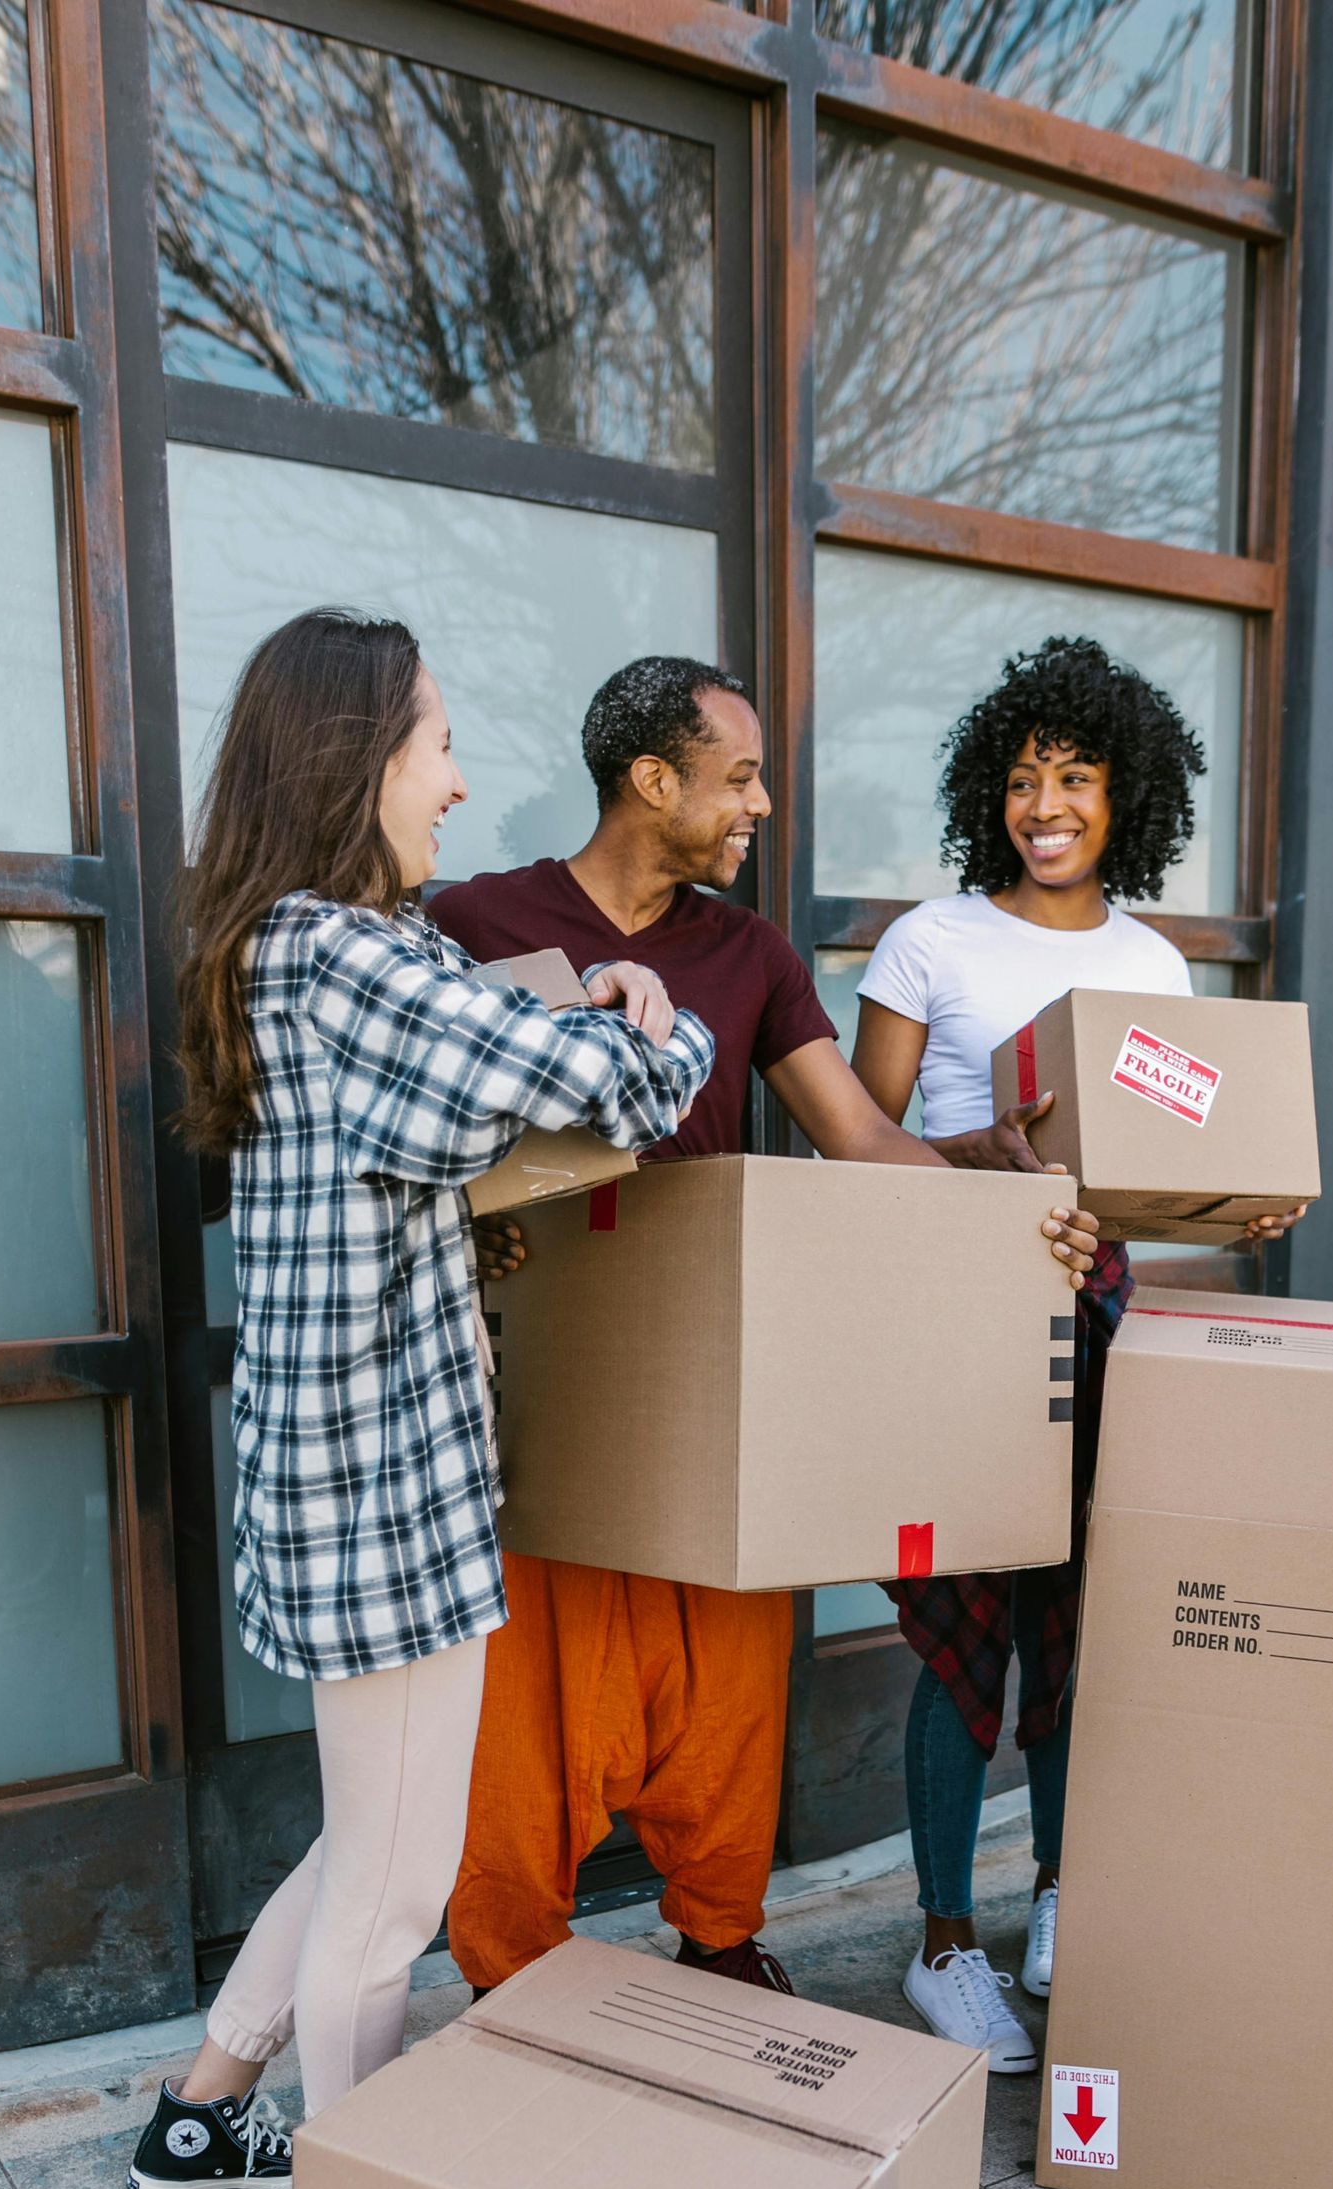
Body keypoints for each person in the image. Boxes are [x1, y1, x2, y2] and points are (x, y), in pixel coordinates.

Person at [125, 610, 714, 2189]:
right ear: (358, 756)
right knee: (395, 1897)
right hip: (382, 1494)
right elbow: (614, 1083)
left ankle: (202, 2116)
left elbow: (472, 1092)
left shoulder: (271, 948)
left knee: (362, 1841)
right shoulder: (353, 952)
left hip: (342, 1479)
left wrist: (569, 1031)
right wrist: (650, 1018)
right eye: (438, 743)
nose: (457, 784)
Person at [433, 654, 1100, 2004]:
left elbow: (857, 1135)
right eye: (738, 778)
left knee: (729, 1676)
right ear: (651, 778)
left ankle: (719, 1934)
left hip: (714, 1384)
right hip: (542, 1384)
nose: (760, 807)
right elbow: (416, 1129)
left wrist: (1008, 1212)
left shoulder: (749, 955)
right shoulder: (473, 921)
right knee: (532, 1697)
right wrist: (467, 1221)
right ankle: (509, 1970)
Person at [853, 634, 1307, 2072]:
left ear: (1130, 797)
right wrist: (978, 1158)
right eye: (1022, 776)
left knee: (1070, 1632)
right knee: (960, 1640)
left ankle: (1057, 1893)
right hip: (948, 1314)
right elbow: (856, 1151)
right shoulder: (932, 942)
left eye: (1077, 775)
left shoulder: (1149, 961)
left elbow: (1165, 1158)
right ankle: (942, 1944)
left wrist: (1248, 1192)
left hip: (1096, 1312)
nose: (1044, 803)